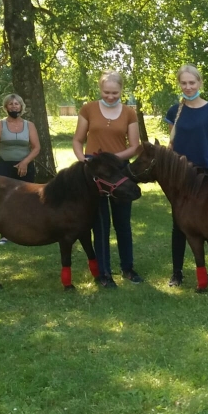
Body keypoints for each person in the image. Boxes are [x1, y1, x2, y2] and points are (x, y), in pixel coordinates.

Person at [71, 71, 142, 287]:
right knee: (100, 224)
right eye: (106, 92)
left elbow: (134, 146)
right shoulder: (88, 109)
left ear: (122, 90)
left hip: (119, 171)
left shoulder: (129, 112)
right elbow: (77, 140)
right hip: (95, 172)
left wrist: (111, 160)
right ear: (100, 90)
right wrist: (84, 159)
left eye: (115, 92)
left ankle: (127, 268)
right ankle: (104, 273)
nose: (110, 96)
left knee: (123, 223)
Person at [164, 64, 208, 287]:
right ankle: (177, 273)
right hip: (181, 177)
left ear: (200, 83)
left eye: (192, 82)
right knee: (179, 225)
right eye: (184, 83)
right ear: (179, 84)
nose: (188, 87)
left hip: (206, 174)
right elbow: (171, 146)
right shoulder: (174, 112)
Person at [0, 93, 41, 244]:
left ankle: (27, 230)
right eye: (11, 104)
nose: (14, 106)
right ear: (6, 107)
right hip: (4, 165)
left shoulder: (29, 125)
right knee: (5, 199)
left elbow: (36, 147)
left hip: (25, 166)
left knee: (27, 198)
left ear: (21, 106)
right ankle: (5, 234)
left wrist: (25, 162)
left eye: (16, 104)